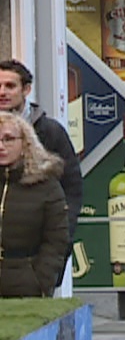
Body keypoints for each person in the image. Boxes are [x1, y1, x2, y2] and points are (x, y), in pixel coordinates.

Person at [0, 60, 81, 243]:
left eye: (10, 86)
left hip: (39, 249)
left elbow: (72, 186)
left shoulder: (51, 132)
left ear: (26, 89)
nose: (2, 92)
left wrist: (62, 240)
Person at [0, 113, 71, 297]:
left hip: (26, 285)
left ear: (25, 143)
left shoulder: (46, 185)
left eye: (8, 139)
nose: (1, 146)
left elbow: (57, 240)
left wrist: (40, 281)